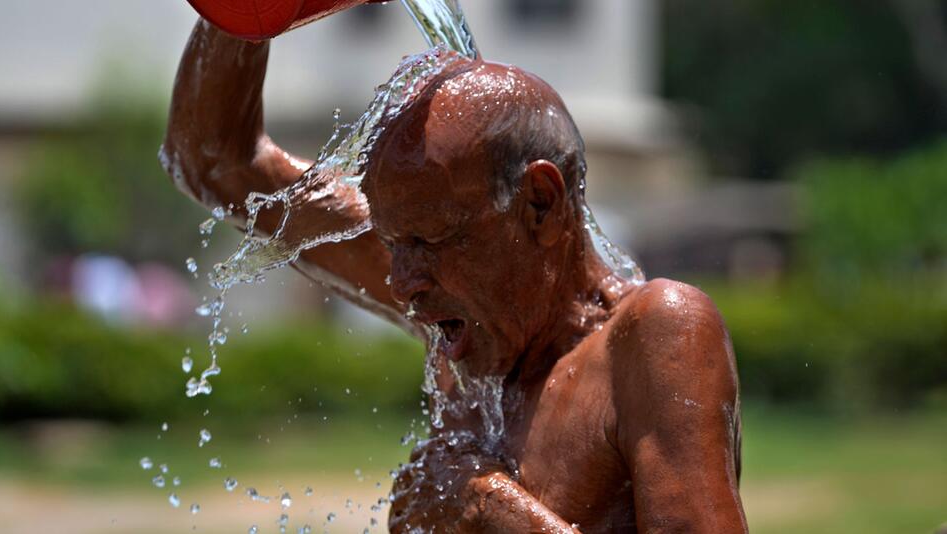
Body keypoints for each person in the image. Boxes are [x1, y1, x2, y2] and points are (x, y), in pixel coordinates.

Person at [162, 17, 747, 534]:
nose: (401, 281)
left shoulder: (651, 336)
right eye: (393, 242)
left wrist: (487, 513)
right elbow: (215, 160)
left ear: (540, 204)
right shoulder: (460, 309)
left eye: (427, 241)